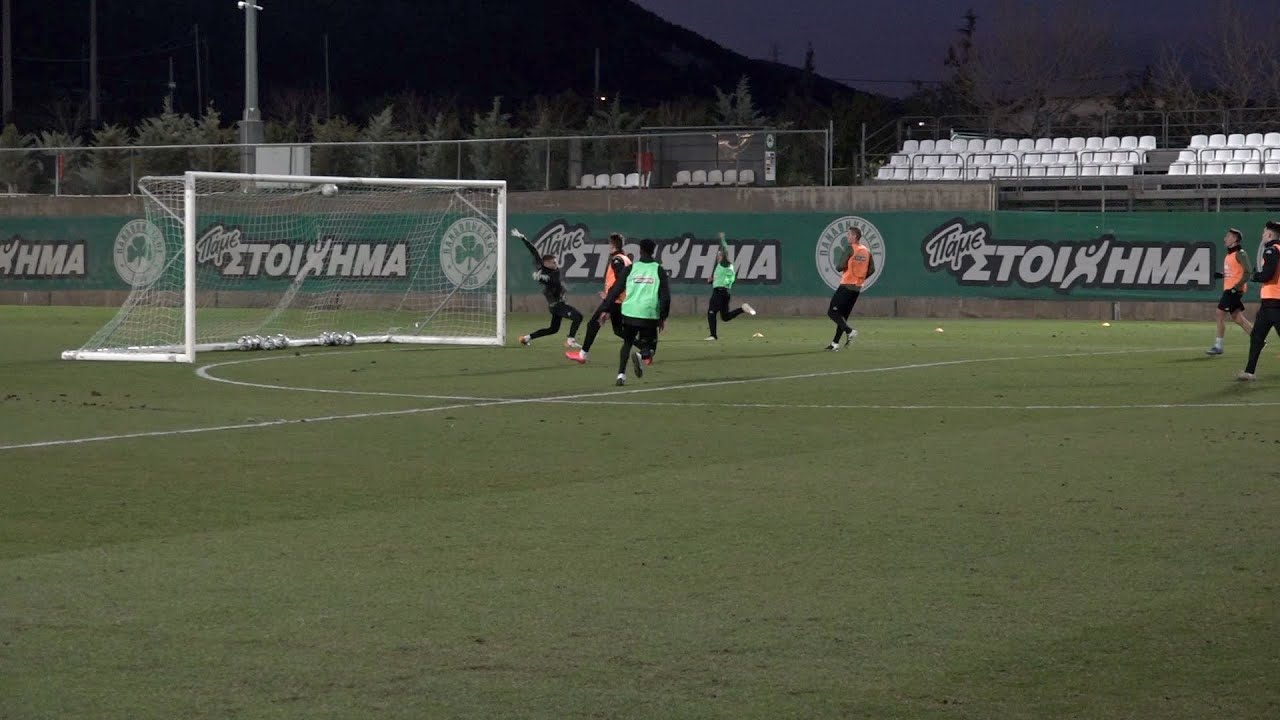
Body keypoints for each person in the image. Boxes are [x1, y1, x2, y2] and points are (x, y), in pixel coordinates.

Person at [600, 237, 671, 386]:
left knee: (627, 342)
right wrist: (663, 316)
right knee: (651, 347)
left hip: (630, 312)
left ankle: (620, 375)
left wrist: (605, 308)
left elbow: (615, 290)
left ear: (640, 251)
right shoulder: (658, 269)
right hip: (649, 314)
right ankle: (640, 355)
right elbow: (665, 296)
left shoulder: (631, 268)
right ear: (653, 251)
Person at [565, 232, 630, 364]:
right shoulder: (625, 258)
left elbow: (620, 282)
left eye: (609, 244)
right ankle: (646, 348)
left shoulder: (617, 260)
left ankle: (582, 355)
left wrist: (609, 297)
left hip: (614, 300)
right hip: (619, 299)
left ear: (612, 245)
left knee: (592, 324)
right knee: (618, 330)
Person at [511, 228, 582, 348]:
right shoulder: (550, 273)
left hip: (555, 306)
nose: (556, 264)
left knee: (553, 329)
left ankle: (525, 338)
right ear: (547, 263)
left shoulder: (548, 268)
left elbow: (534, 251)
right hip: (557, 305)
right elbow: (550, 281)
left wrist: (523, 238)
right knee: (578, 317)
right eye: (554, 262)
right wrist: (541, 278)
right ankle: (570, 340)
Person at [1238, 220, 1280, 381]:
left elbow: (1267, 275)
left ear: (1269, 235)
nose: (1262, 235)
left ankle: (1249, 372)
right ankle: (1249, 372)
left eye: (1264, 233)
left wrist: (1254, 276)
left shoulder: (1271, 250)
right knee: (1257, 336)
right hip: (1269, 304)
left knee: (1257, 337)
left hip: (1275, 303)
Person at [826, 227, 875, 351]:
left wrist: (845, 265)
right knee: (843, 316)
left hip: (846, 285)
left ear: (854, 236)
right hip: (857, 288)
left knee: (832, 312)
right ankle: (835, 343)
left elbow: (839, 267)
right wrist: (862, 278)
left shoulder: (850, 249)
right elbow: (872, 269)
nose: (847, 237)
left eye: (849, 235)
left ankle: (850, 331)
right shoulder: (866, 251)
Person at [1207, 227, 1253, 356]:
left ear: (1235, 239)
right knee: (1237, 318)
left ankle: (1218, 346)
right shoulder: (1230, 254)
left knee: (1219, 313)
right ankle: (1259, 340)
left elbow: (1248, 272)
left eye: (1228, 236)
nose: (1225, 238)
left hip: (1234, 290)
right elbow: (1235, 272)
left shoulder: (1240, 253)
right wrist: (1222, 275)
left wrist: (1236, 287)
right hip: (1230, 289)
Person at [705, 231, 756, 340]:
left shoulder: (725, 263)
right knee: (725, 317)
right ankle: (742, 309)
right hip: (725, 292)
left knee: (711, 312)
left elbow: (725, 249)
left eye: (719, 255)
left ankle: (713, 335)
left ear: (721, 256)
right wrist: (711, 280)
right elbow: (721, 280)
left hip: (720, 292)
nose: (717, 256)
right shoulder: (722, 268)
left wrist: (722, 239)